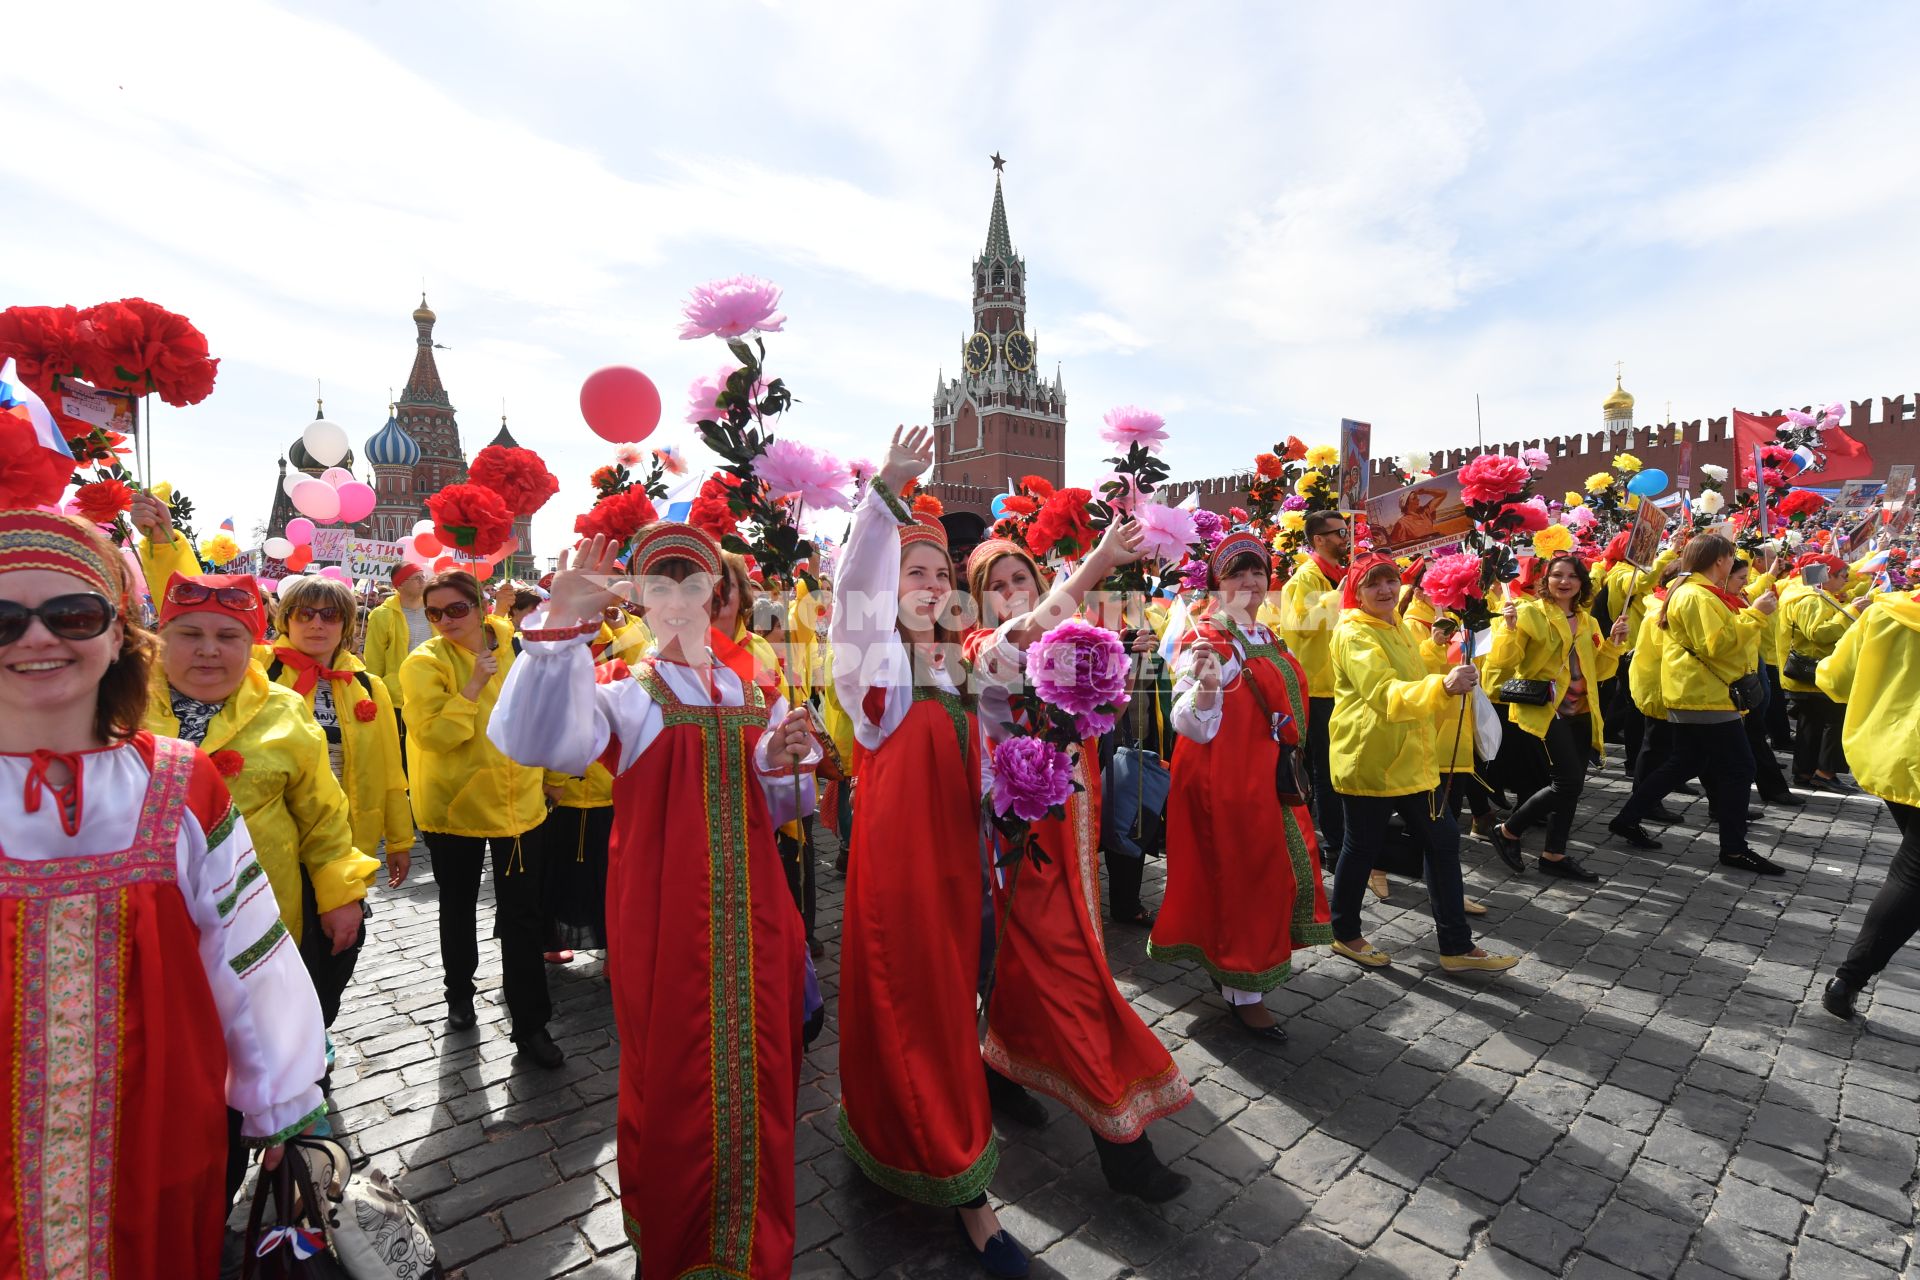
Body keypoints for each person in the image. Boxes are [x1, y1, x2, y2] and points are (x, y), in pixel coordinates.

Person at [0, 510, 329, 1276]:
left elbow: (245, 955)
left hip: (157, 1130)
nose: (37, 638)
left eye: (72, 614)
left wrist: (278, 1106)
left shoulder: (177, 782)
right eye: (3, 618)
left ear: (118, 634)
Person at [491, 523, 815, 1278]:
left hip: (758, 912)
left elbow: (771, 796)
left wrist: (781, 753)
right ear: (638, 599)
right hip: (667, 919)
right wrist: (557, 627)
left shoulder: (748, 689)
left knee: (762, 1069)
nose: (678, 601)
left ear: (721, 596)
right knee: (676, 1074)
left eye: (693, 585)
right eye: (660, 586)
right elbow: (542, 741)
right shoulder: (627, 695)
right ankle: (679, 1243)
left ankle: (751, 1242)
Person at [830, 426, 1029, 1277]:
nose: (934, 583)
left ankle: (883, 1125)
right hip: (899, 876)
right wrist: (887, 492)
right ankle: (963, 1191)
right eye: (917, 569)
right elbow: (851, 592)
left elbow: (1032, 629)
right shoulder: (874, 671)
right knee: (916, 1004)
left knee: (935, 1003)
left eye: (944, 573)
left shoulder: (956, 673)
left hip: (958, 874)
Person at [965, 529, 1195, 1203]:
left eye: (1021, 579)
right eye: (996, 586)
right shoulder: (979, 649)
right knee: (1075, 981)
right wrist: (1095, 566)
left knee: (1033, 968)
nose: (1015, 594)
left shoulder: (1065, 648)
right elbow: (1014, 647)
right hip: (1021, 848)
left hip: (1074, 842)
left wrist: (1121, 660)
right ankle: (1124, 1147)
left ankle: (998, 1069)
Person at [145, 571, 377, 1034]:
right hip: (148, 923)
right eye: (190, 634)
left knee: (263, 1036)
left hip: (260, 914)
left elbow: (323, 817)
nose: (209, 650)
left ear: (252, 643)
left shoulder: (284, 708)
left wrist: (339, 894)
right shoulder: (117, 703)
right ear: (159, 639)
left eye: (228, 636)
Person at [1152, 530, 1335, 1034]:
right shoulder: (1207, 639)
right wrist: (1208, 691)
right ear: (1217, 582)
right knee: (1244, 879)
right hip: (1224, 780)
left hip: (1267, 777)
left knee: (1268, 875)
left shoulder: (1264, 634)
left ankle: (1239, 969)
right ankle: (1241, 984)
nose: (1251, 581)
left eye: (1257, 571)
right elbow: (1186, 721)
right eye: (1237, 573)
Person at [1327, 554, 1518, 973]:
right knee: (1361, 848)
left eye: (1391, 581)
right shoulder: (1355, 632)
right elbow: (1383, 692)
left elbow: (1416, 676)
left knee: (1444, 842)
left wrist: (1443, 653)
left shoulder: (1394, 625)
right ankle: (1345, 932)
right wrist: (1443, 685)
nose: (1385, 590)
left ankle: (1456, 946)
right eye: (1373, 584)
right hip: (1371, 757)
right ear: (1355, 592)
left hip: (1414, 758)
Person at [400, 570, 560, 1065]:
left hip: (519, 802)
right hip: (454, 805)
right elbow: (433, 737)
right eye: (434, 613)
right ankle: (459, 993)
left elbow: (545, 709)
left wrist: (552, 773)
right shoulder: (423, 661)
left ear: (480, 604)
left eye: (456, 609)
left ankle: (531, 1024)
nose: (446, 621)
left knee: (523, 916)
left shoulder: (519, 643)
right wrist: (472, 685)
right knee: (459, 903)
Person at [1606, 534, 1784, 874]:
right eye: (1732, 558)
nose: (1734, 564)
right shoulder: (1697, 594)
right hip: (1705, 696)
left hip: (1699, 693)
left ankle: (1626, 818)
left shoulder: (1695, 591)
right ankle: (1734, 848)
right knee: (1740, 767)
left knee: (1685, 761)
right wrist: (1758, 615)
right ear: (1720, 560)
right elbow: (1717, 644)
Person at [1485, 553, 1628, 882]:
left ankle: (1554, 854)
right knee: (1568, 782)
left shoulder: (1588, 620)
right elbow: (1505, 664)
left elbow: (1599, 671)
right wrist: (1507, 629)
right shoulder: (1528, 613)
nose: (1564, 582)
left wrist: (1613, 644)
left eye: (1572, 576)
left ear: (1582, 583)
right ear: (1545, 581)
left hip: (1581, 709)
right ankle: (1508, 830)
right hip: (1546, 708)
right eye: (1557, 575)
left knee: (1571, 787)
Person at [1813, 589, 1920, 1019]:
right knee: (1912, 876)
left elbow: (1834, 679)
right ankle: (1848, 979)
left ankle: (1849, 980)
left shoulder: (1887, 611)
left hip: (1890, 756)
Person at [1278, 509, 1350, 856]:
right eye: (1338, 532)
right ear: (1318, 540)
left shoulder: (1335, 575)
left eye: (1346, 530)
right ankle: (1335, 844)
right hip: (1317, 688)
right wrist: (1339, 593)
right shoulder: (1304, 579)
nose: (1345, 537)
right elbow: (1299, 627)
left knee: (1334, 767)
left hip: (1339, 684)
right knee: (1324, 770)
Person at [1780, 553, 1858, 793]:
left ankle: (1806, 773)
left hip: (1813, 673)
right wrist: (1851, 612)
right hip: (1813, 672)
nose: (1846, 580)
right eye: (1842, 575)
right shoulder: (1808, 599)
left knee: (1811, 725)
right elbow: (1819, 633)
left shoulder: (1814, 595)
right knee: (1832, 721)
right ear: (1827, 575)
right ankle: (1824, 773)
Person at [362, 561, 432, 760]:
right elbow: (374, 659)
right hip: (398, 696)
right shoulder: (382, 615)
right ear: (400, 585)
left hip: (433, 689)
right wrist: (375, 695)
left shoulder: (434, 609)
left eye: (422, 577)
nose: (422, 581)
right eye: (416, 578)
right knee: (403, 752)